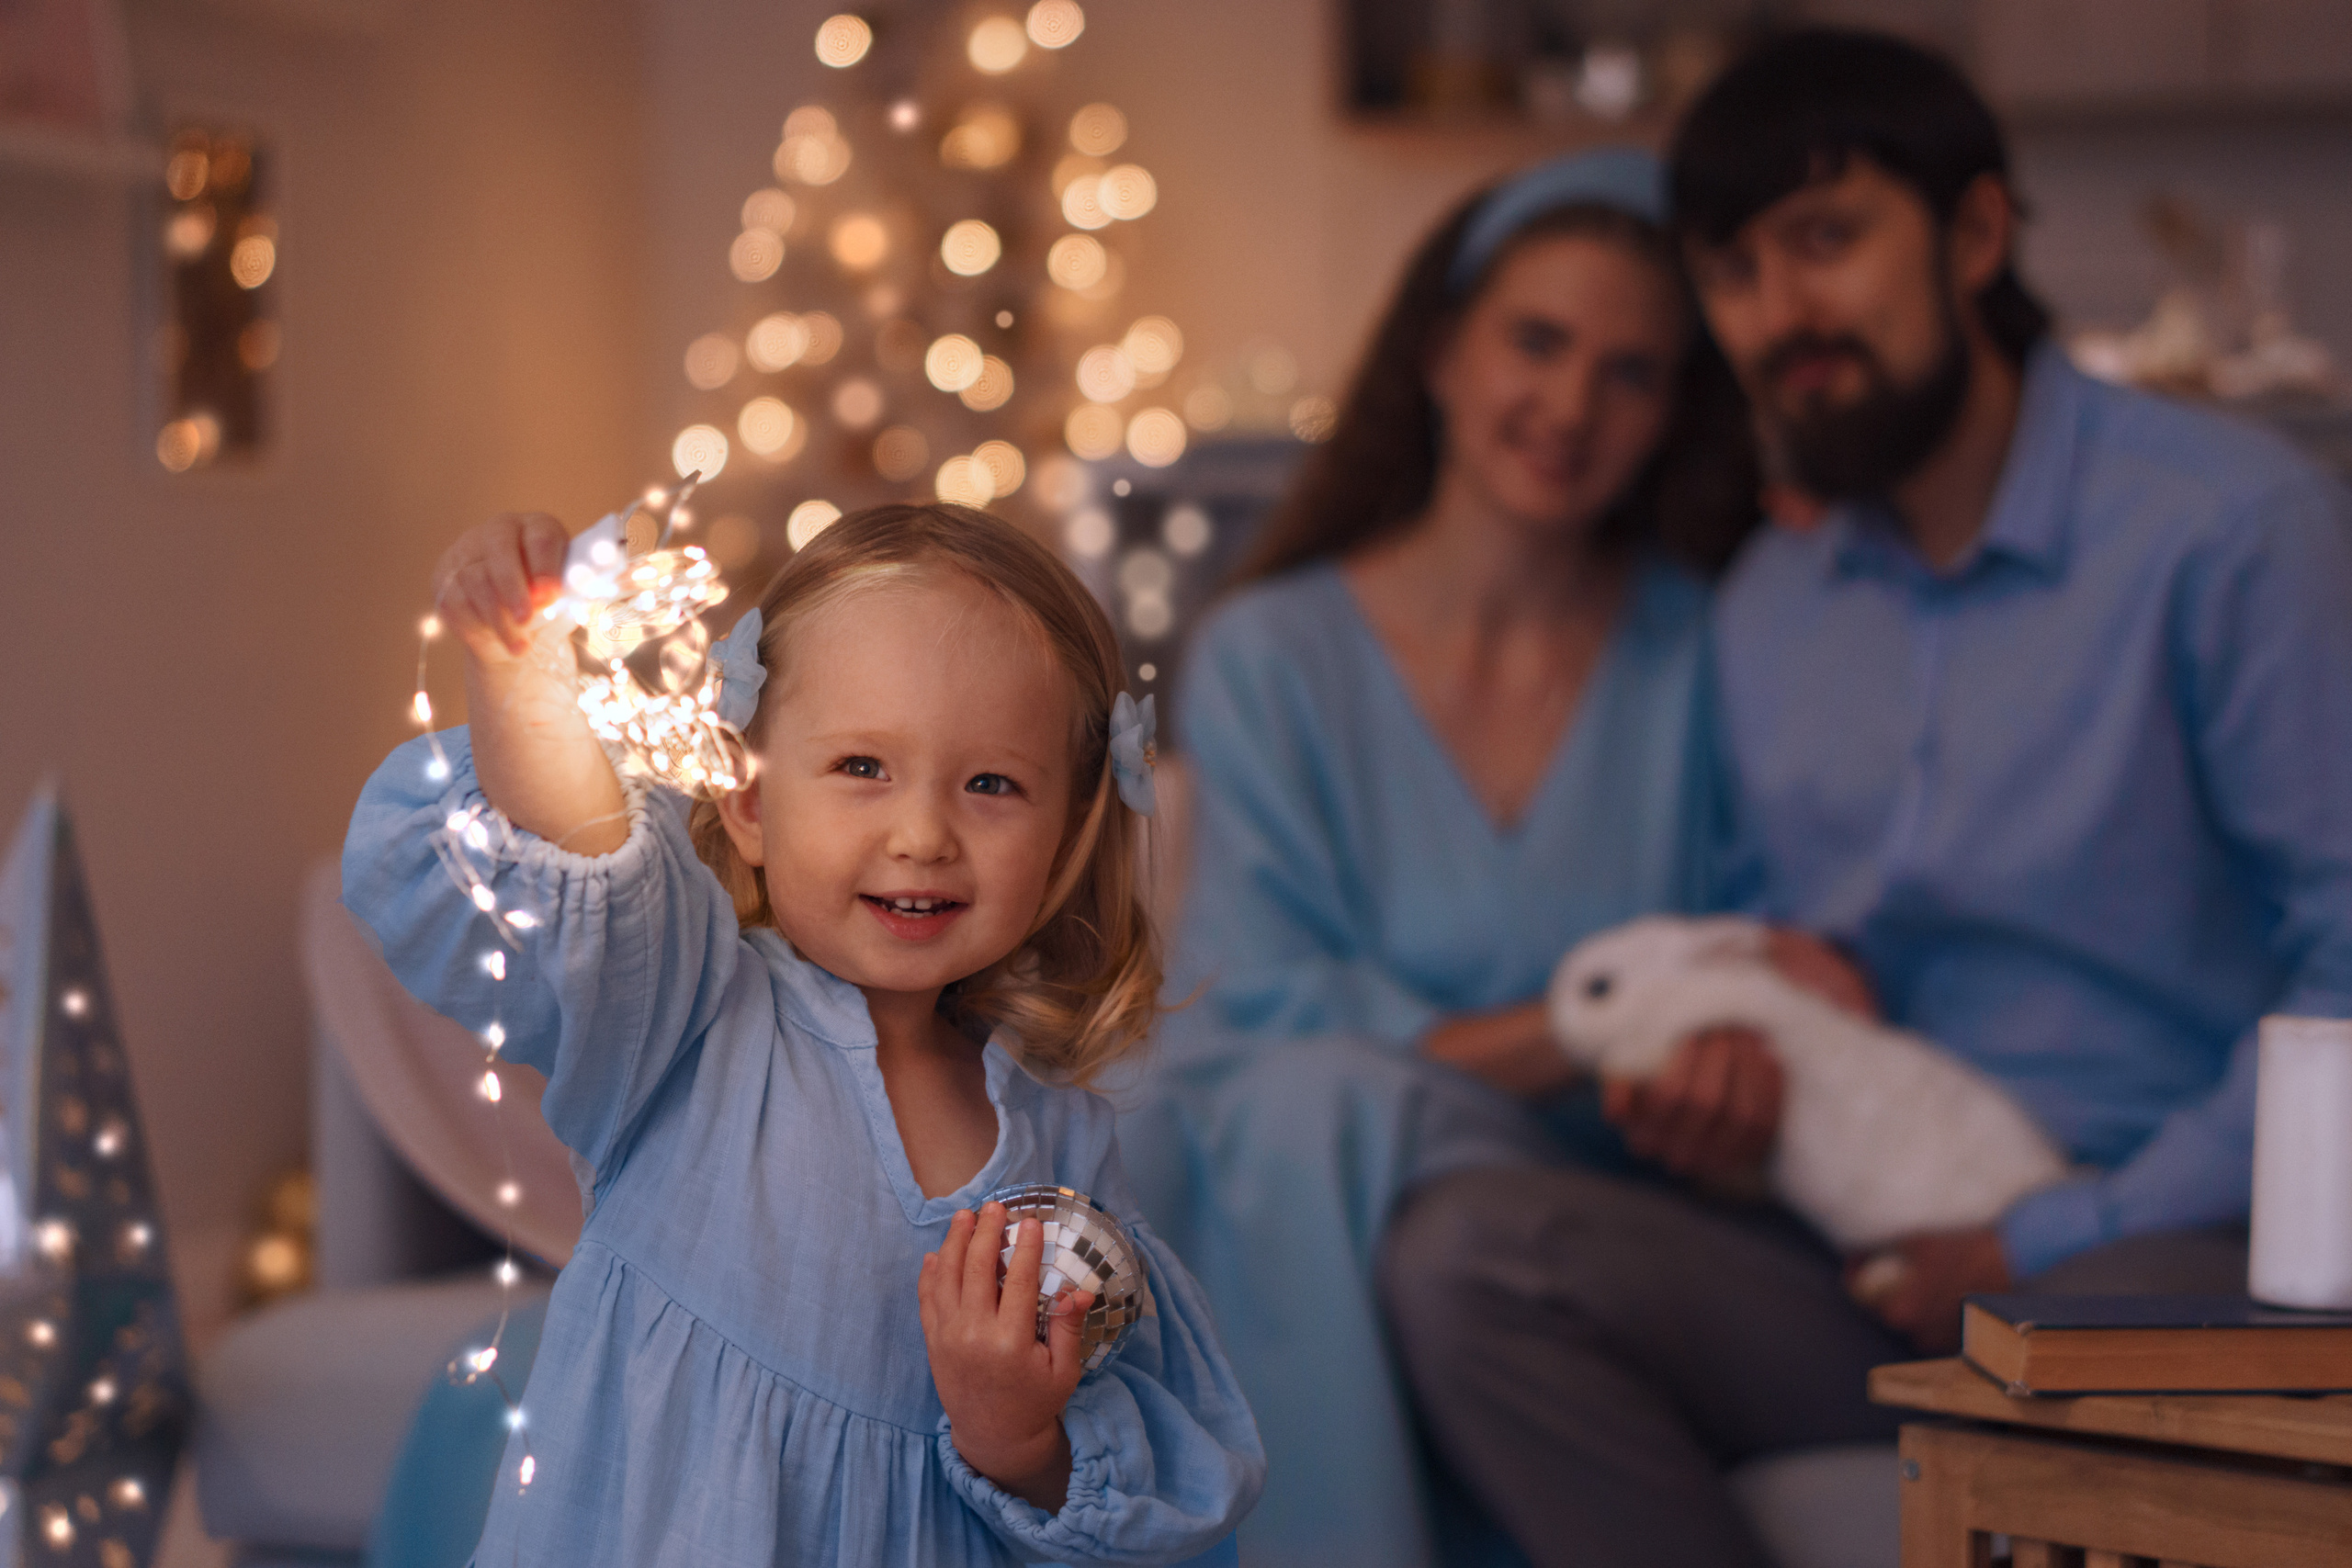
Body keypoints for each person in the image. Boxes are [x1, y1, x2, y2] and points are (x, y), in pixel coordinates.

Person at [1376, 28, 2352, 1568]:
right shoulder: (1772, 601)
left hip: (2157, 1232)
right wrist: (1733, 1081)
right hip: (1862, 1246)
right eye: (1733, 272)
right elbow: (1789, 954)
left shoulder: (2225, 528)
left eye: (1825, 239)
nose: (1783, 314)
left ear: (1975, 234)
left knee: (2064, 1357)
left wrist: (2047, 1232)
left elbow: (2347, 962)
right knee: (1476, 1262)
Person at [1115, 148, 1811, 1567]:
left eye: (1630, 371)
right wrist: (1587, 1027)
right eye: (1536, 342)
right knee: (1276, 1104)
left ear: (1675, 409)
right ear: (1441, 348)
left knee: (1306, 1108)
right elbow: (1256, 1001)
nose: (1572, 406)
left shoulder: (1714, 646)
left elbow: (1758, 964)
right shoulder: (1270, 652)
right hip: (1312, 1156)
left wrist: (1709, 1048)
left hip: (1605, 1210)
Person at [343, 504, 1265, 1565]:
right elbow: (580, 848)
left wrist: (1013, 1434)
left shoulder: (1062, 1145)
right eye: (862, 766)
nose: (923, 835)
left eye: (991, 784)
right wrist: (520, 669)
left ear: (1064, 839)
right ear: (746, 797)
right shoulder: (685, 1015)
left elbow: (1125, 1502)